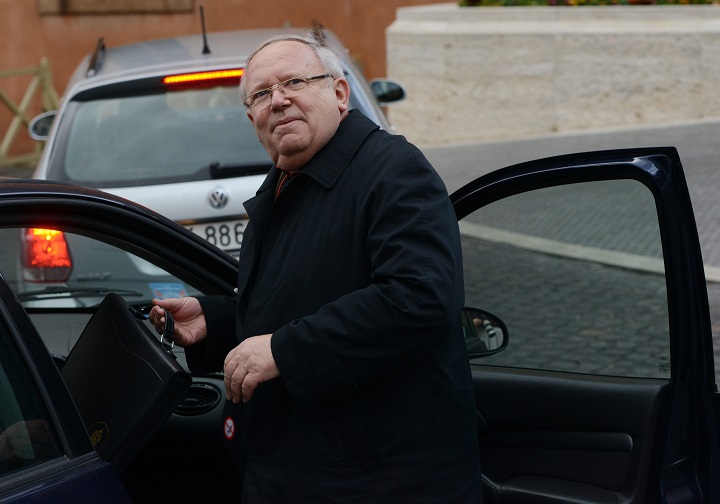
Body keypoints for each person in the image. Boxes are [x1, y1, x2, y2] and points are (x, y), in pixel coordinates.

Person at [149, 32, 482, 503]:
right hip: (305, 470)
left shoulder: (393, 169)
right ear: (251, 118)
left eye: (294, 82)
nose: (278, 100)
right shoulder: (285, 181)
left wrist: (284, 351)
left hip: (382, 482)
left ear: (339, 93)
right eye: (260, 95)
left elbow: (419, 299)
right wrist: (215, 321)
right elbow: (299, 300)